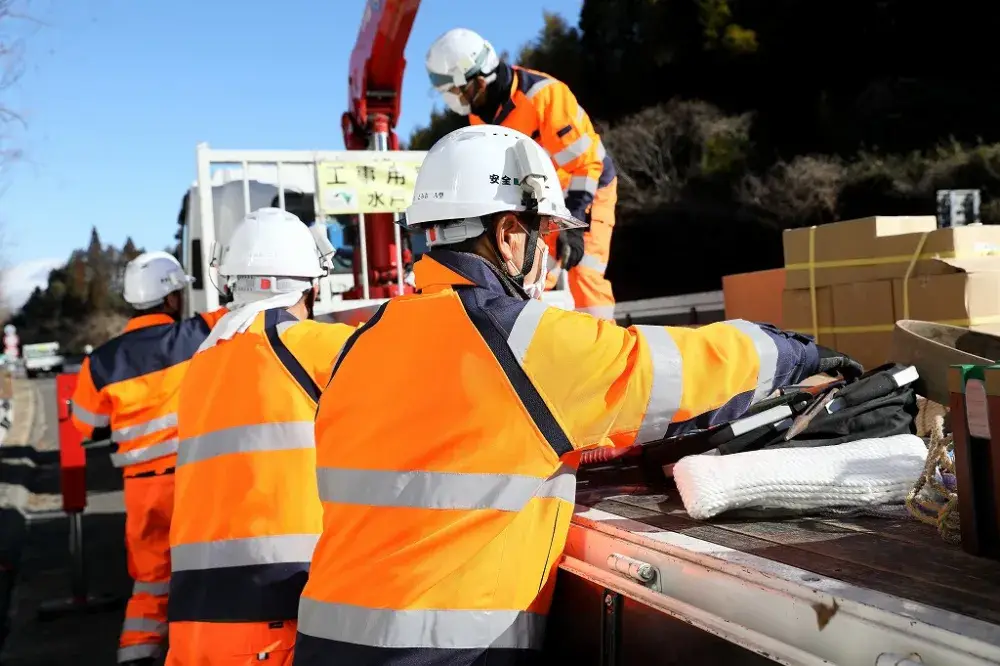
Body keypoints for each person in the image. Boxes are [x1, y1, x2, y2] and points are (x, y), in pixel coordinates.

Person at [292, 126, 862, 665]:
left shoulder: (362, 342)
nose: (548, 254)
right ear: (509, 233)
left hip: (324, 645)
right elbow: (683, 370)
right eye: (543, 234)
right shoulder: (515, 337)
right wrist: (800, 353)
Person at [165, 208, 358, 665]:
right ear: (312, 285)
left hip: (195, 614)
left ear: (229, 283)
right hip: (275, 615)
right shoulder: (313, 345)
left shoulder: (200, 365)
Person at [70, 251, 228, 665]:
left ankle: (137, 655)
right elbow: (249, 313)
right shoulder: (200, 334)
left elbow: (86, 424)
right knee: (208, 574)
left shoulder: (101, 362)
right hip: (197, 480)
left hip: (142, 490)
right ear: (172, 298)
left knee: (151, 582)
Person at [426, 27, 618, 320]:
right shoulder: (479, 115)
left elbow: (585, 165)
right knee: (526, 274)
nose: (451, 99)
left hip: (587, 188)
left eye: (453, 91)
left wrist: (575, 224)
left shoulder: (545, 96)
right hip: (541, 199)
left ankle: (607, 343)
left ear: (477, 82)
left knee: (583, 272)